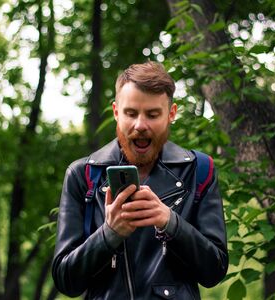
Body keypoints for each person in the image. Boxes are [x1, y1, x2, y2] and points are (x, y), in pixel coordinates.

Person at [52, 61, 228, 299]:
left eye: (153, 114)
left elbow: (214, 271)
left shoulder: (200, 170)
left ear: (171, 114)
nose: (140, 125)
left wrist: (170, 222)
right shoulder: (82, 175)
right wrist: (109, 234)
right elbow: (66, 280)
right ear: (116, 112)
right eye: (131, 113)